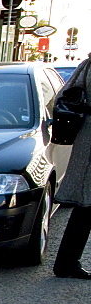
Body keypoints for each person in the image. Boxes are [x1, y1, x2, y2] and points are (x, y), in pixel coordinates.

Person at [53, 54, 91, 279]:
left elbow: (65, 94)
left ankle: (66, 263)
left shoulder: (86, 65)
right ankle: (66, 263)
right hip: (88, 141)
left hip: (85, 137)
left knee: (85, 207)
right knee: (86, 207)